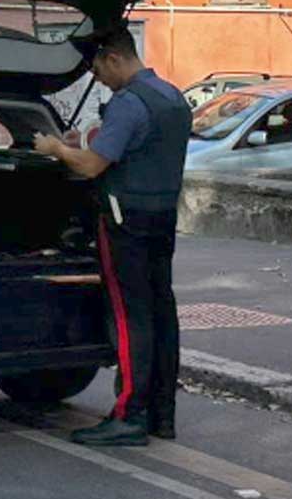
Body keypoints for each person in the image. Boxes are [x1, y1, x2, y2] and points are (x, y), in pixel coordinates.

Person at [33, 23, 192, 446]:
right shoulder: (172, 98)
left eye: (98, 69)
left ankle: (127, 415)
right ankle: (161, 414)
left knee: (129, 318)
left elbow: (90, 167)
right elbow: (139, 149)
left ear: (114, 58)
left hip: (125, 222)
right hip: (162, 219)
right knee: (162, 314)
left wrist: (56, 149)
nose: (97, 78)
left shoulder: (128, 103)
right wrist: (84, 140)